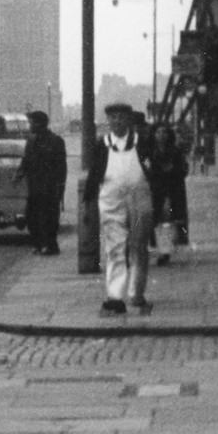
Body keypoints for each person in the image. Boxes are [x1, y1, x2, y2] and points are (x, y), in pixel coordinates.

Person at [83, 102, 154, 316]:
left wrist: (159, 201)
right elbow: (94, 174)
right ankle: (115, 297)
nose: (117, 121)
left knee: (139, 247)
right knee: (114, 247)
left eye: (121, 117)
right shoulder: (101, 145)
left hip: (140, 197)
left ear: (129, 120)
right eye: (113, 118)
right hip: (111, 198)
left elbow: (155, 172)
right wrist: (88, 203)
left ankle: (136, 293)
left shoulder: (142, 143)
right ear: (108, 121)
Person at [13, 110, 67, 255]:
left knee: (50, 218)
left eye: (30, 122)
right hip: (34, 185)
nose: (29, 125)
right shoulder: (31, 140)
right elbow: (26, 160)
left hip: (50, 186)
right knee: (32, 216)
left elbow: (62, 167)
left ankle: (50, 245)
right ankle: (38, 244)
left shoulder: (56, 141)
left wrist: (61, 187)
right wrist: (18, 174)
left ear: (39, 123)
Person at [149, 124, 189, 263]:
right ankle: (161, 248)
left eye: (164, 132)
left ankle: (165, 251)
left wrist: (173, 170)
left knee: (168, 221)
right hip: (156, 191)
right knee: (157, 221)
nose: (161, 135)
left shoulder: (175, 151)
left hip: (172, 190)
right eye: (158, 132)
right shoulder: (151, 152)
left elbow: (183, 170)